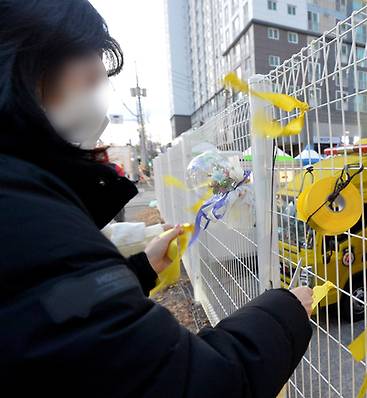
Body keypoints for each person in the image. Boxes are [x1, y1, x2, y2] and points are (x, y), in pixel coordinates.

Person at [0, 1, 313, 396]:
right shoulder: (25, 208)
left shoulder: (22, 197)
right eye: (92, 73)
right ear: (31, 67)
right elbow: (194, 383)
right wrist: (284, 313)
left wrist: (140, 271)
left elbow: (49, 311)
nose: (101, 89)